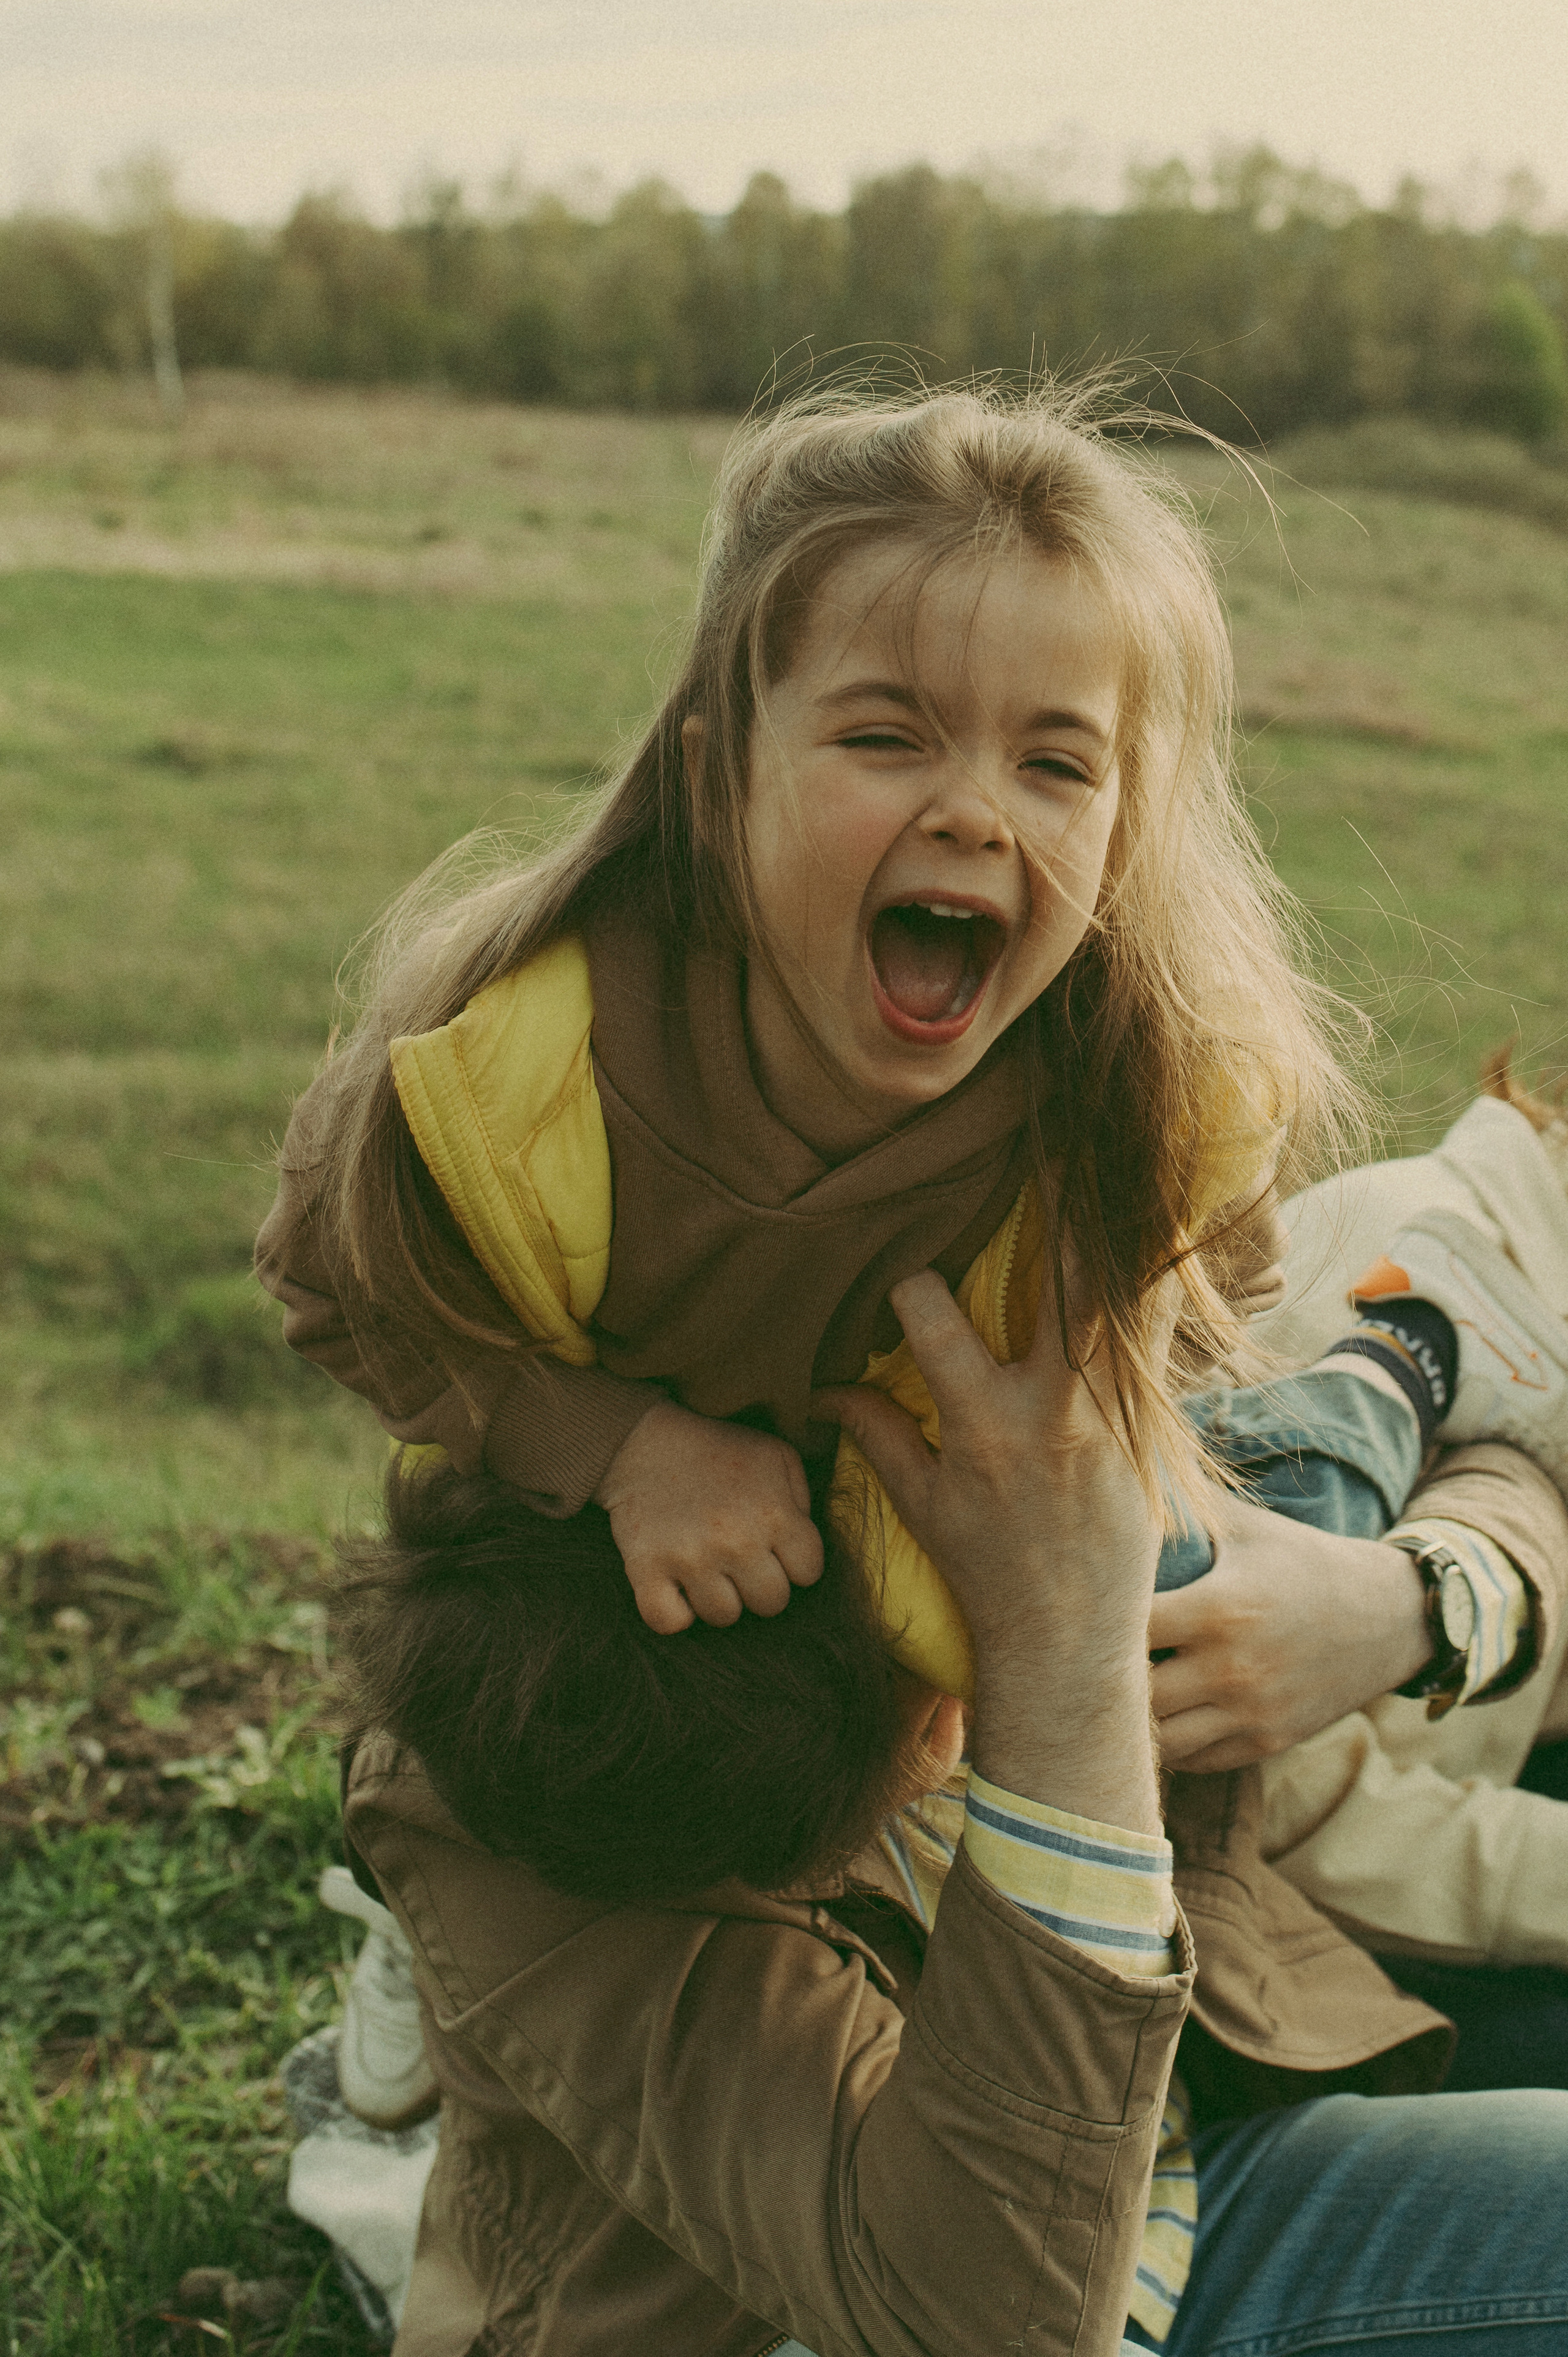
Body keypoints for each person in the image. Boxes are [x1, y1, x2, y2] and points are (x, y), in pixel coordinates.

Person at [334, 1268, 1568, 2357]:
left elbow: (1481, 1422)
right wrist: (1056, 1679)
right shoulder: (512, 1811)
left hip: (1191, 2155)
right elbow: (986, 2318)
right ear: (934, 1737)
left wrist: (1417, 1597)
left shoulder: (954, 1473)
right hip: (854, 2306)